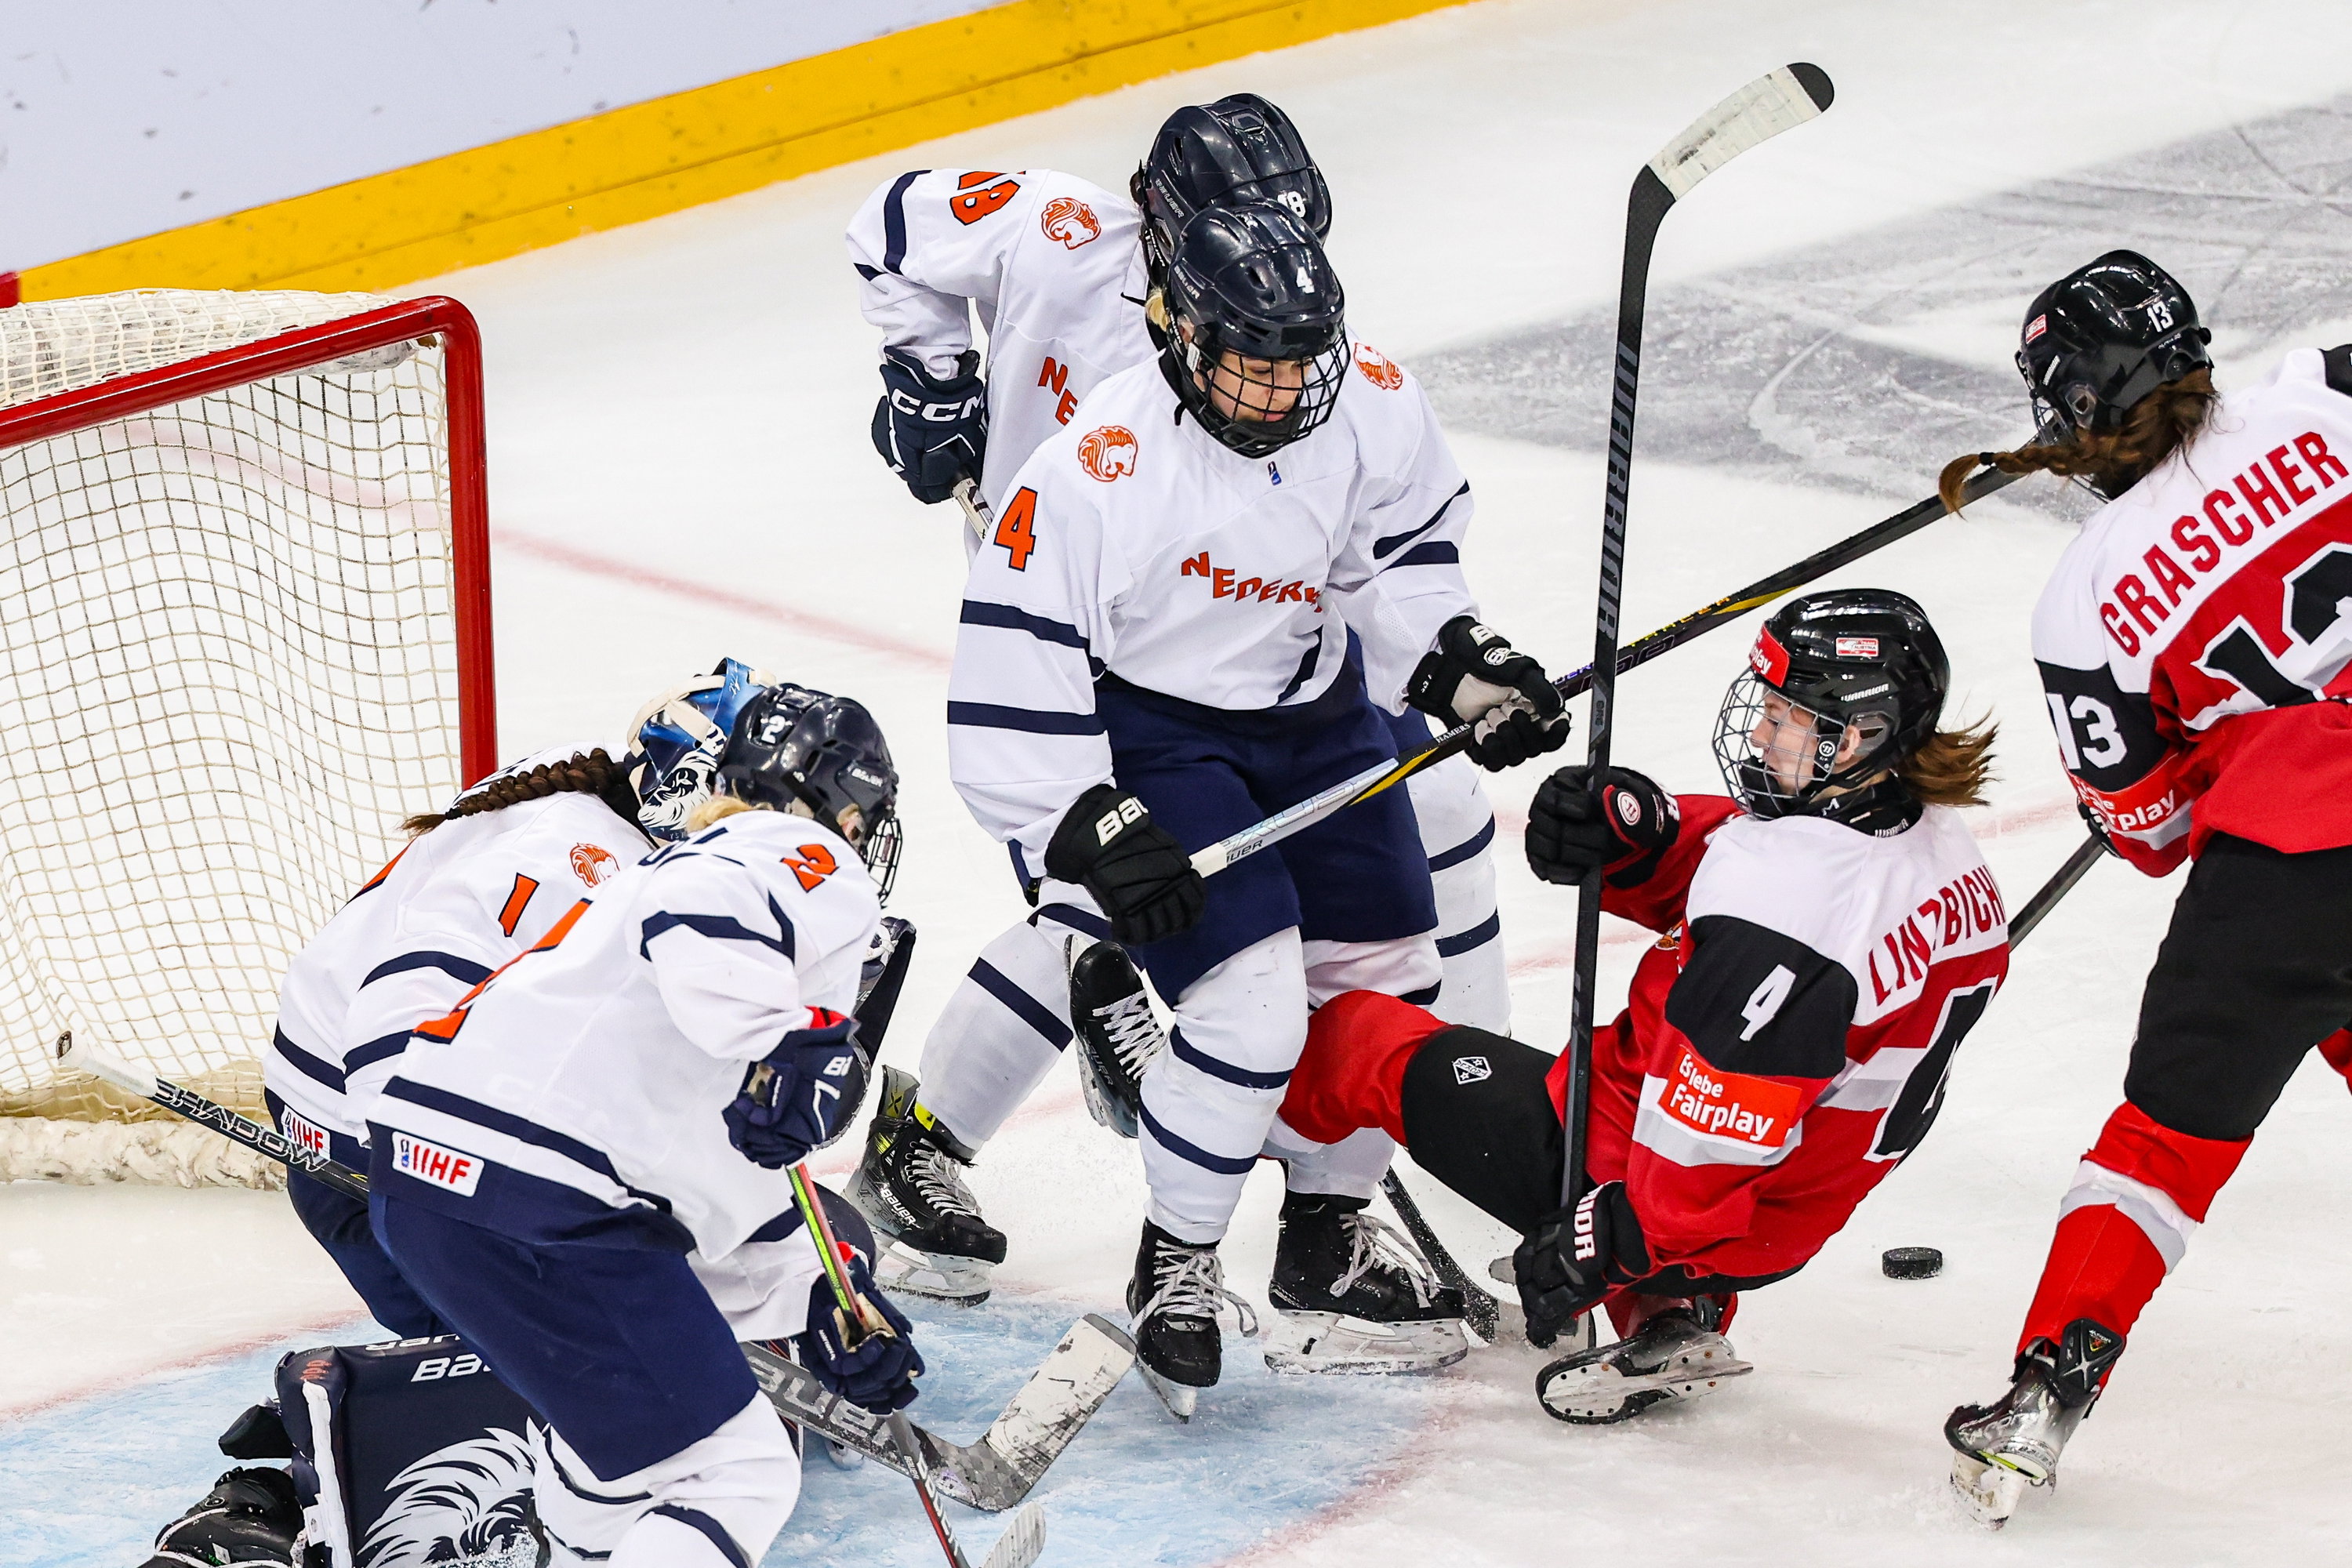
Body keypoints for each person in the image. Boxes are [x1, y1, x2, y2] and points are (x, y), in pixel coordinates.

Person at [847, 93, 1515, 1304]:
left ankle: (1362, 1146)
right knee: (1105, 898)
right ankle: (924, 1145)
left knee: (1366, 858)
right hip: (1075, 630)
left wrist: (1444, 659)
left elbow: (1361, 530)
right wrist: (929, 376)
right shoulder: (1054, 231)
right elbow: (890, 223)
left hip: (1244, 641)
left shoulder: (1284, 337)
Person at [947, 198, 1568, 1408]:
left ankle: (1324, 1239)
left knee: (1390, 983)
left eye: (1299, 363)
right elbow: (1009, 668)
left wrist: (1460, 666)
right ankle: (1174, 1261)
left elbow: (1395, 566)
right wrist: (1089, 823)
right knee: (1248, 1010)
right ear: (1180, 335)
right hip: (1163, 735)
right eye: (1254, 363)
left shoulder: (1368, 401)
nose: (1283, 389)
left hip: (1320, 711)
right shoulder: (1094, 466)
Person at [1279, 590, 2012, 1422]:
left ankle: (1233, 1154)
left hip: (1629, 1167)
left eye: (1786, 716)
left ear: (1859, 735)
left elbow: (1706, 1144)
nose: (1761, 733)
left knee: (1360, 1034)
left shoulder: (1786, 932)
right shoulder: (1938, 847)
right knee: (1685, 1200)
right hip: (1780, 1217)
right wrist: (1643, 836)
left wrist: (1604, 1238)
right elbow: (1761, 860)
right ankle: (1667, 1312)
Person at [1934, 252, 2352, 1525]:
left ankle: (2045, 1391)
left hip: (2285, 865)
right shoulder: (2322, 395)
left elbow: (2156, 832)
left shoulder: (2087, 598)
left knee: (2164, 1147)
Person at [368, 681, 919, 1567]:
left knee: (615, 1456)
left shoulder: (674, 889)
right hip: (546, 1194)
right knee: (736, 1476)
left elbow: (725, 1158)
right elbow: (705, 905)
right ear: (838, 799)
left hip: (435, 1185)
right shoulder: (791, 848)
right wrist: (786, 1038)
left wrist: (819, 1291)